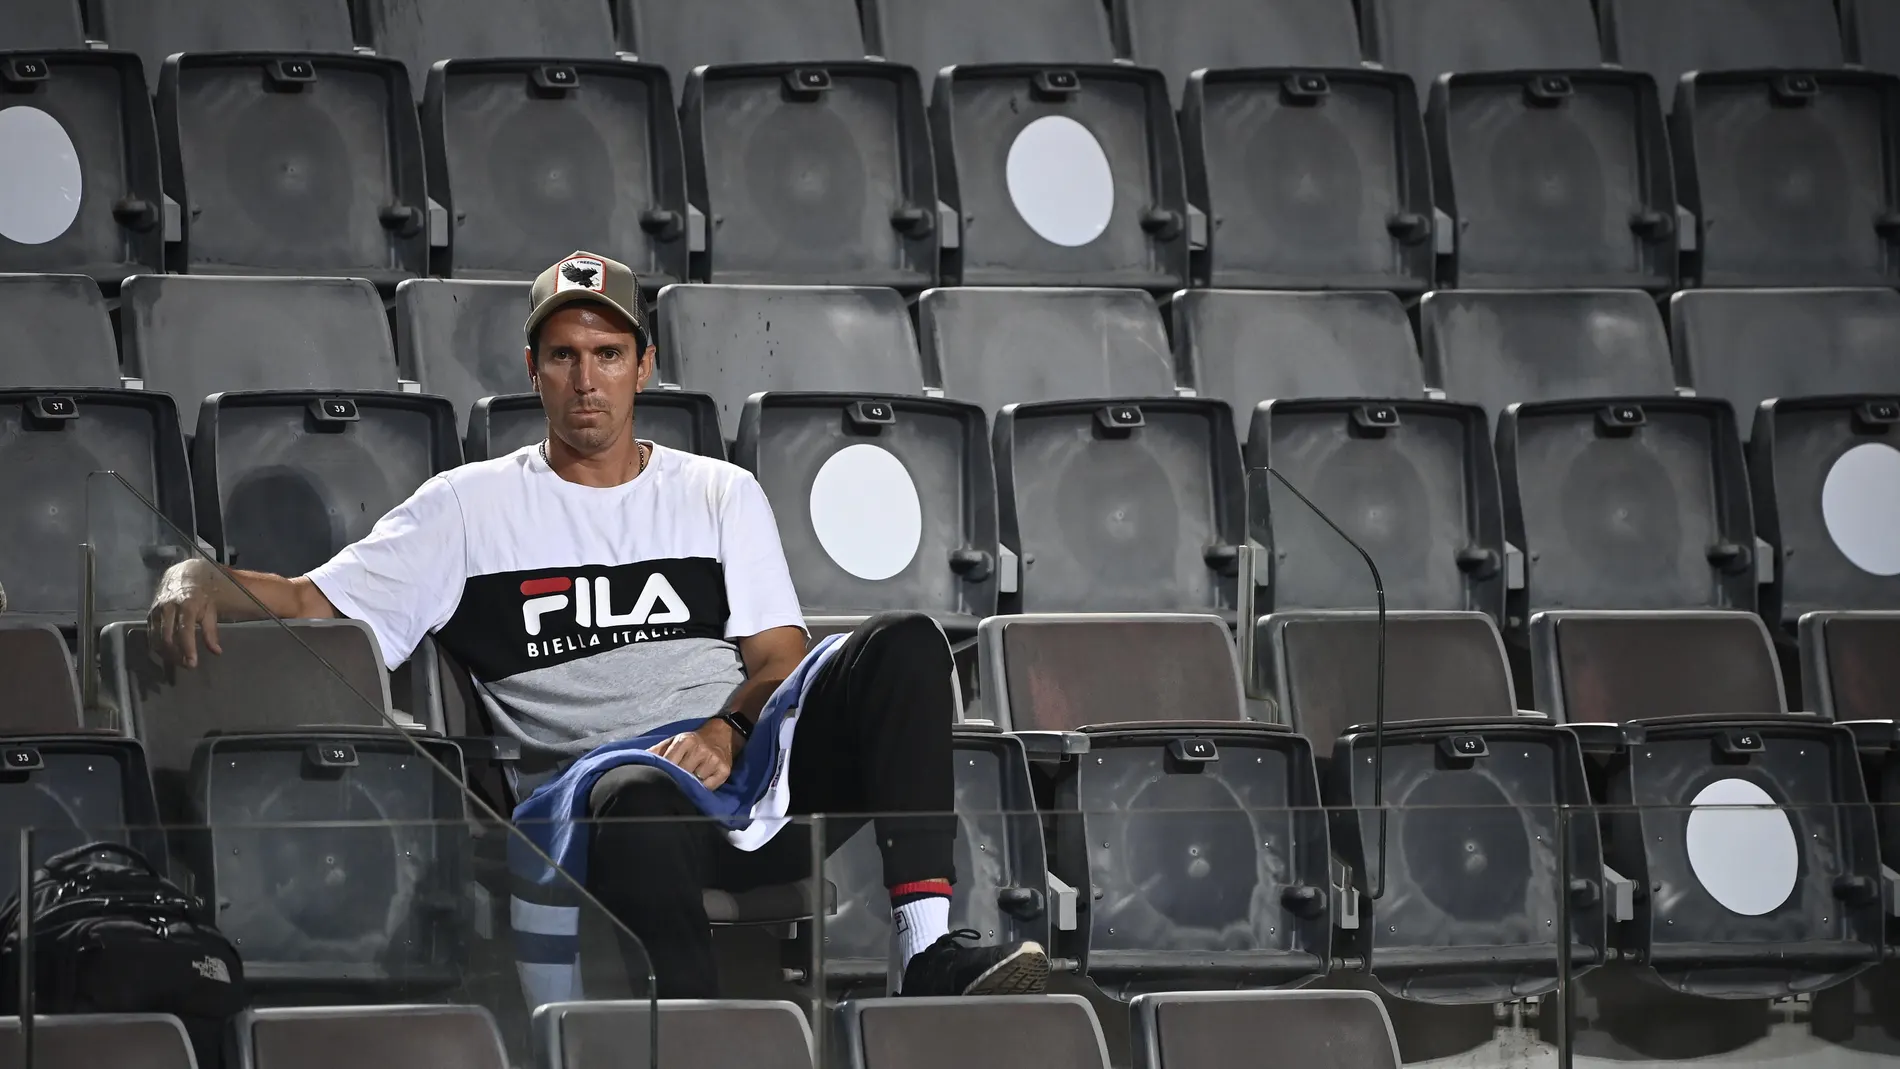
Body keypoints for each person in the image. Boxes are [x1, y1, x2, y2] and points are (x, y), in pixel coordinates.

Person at [146, 251, 1049, 1000]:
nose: (588, 380)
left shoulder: (716, 491)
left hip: (745, 762)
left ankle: (926, 950)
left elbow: (779, 656)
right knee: (640, 801)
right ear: (532, 367)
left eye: (609, 353)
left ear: (644, 365)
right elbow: (313, 603)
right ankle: (696, 1037)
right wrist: (197, 575)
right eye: (566, 355)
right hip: (608, 803)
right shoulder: (468, 508)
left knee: (906, 642)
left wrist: (729, 727)